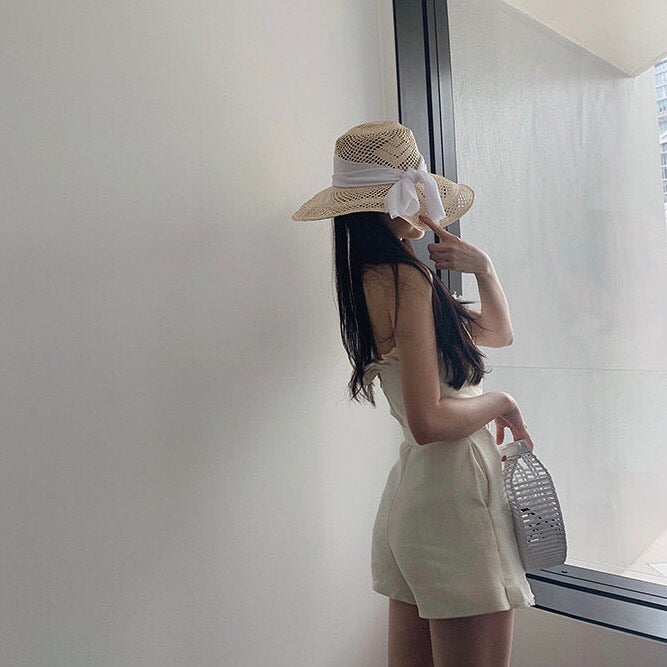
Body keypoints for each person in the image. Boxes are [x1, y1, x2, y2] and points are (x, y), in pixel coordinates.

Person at [292, 121, 536, 667]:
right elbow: (430, 422)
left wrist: (483, 268)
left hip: (418, 496)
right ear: (397, 200)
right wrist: (501, 402)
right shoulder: (406, 279)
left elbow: (497, 333)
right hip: (457, 499)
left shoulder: (370, 277)